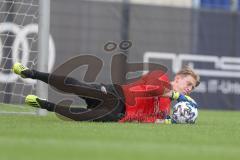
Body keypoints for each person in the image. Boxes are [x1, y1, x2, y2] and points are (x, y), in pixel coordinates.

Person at [12, 62, 200, 123]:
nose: (189, 89)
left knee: (85, 117)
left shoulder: (167, 107)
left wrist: (170, 120)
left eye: (191, 88)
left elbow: (147, 119)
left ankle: (45, 105)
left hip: (120, 114)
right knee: (77, 87)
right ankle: (31, 73)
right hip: (116, 95)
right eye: (189, 83)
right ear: (180, 76)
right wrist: (175, 95)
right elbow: (153, 89)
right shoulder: (161, 76)